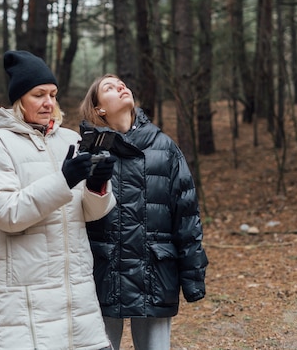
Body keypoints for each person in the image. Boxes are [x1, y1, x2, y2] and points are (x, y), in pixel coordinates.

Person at [0, 50, 116, 350]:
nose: (49, 103)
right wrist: (63, 180)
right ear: (19, 100)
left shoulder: (71, 140)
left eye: (53, 94)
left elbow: (90, 214)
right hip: (27, 297)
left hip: (76, 294)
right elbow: (4, 213)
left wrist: (96, 185)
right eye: (39, 94)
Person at [79, 74, 208, 350]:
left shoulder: (165, 148)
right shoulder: (86, 151)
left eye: (122, 83)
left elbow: (186, 216)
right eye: (109, 88)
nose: (121, 87)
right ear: (99, 108)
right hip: (102, 273)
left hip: (155, 273)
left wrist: (193, 279)